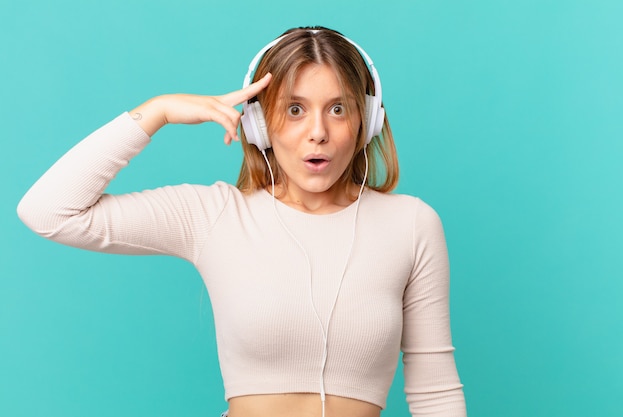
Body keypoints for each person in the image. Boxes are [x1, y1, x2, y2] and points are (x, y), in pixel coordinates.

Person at [17, 26, 467, 417]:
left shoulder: (411, 224)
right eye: (294, 109)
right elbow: (48, 211)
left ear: (366, 122)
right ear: (259, 124)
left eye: (337, 108)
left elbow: (435, 390)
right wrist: (157, 112)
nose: (318, 132)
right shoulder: (215, 216)